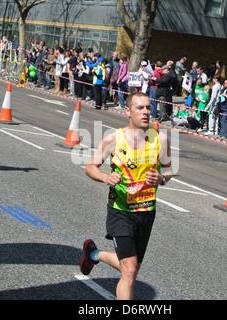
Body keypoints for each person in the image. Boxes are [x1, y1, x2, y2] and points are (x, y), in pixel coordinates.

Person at [81, 92, 172, 300]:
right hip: (120, 209)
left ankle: (94, 254)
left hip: (147, 210)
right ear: (128, 111)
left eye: (149, 107)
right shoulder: (113, 139)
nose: (146, 112)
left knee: (132, 268)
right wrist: (105, 177)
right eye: (140, 108)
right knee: (129, 271)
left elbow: (168, 170)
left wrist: (162, 179)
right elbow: (90, 167)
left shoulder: (161, 139)